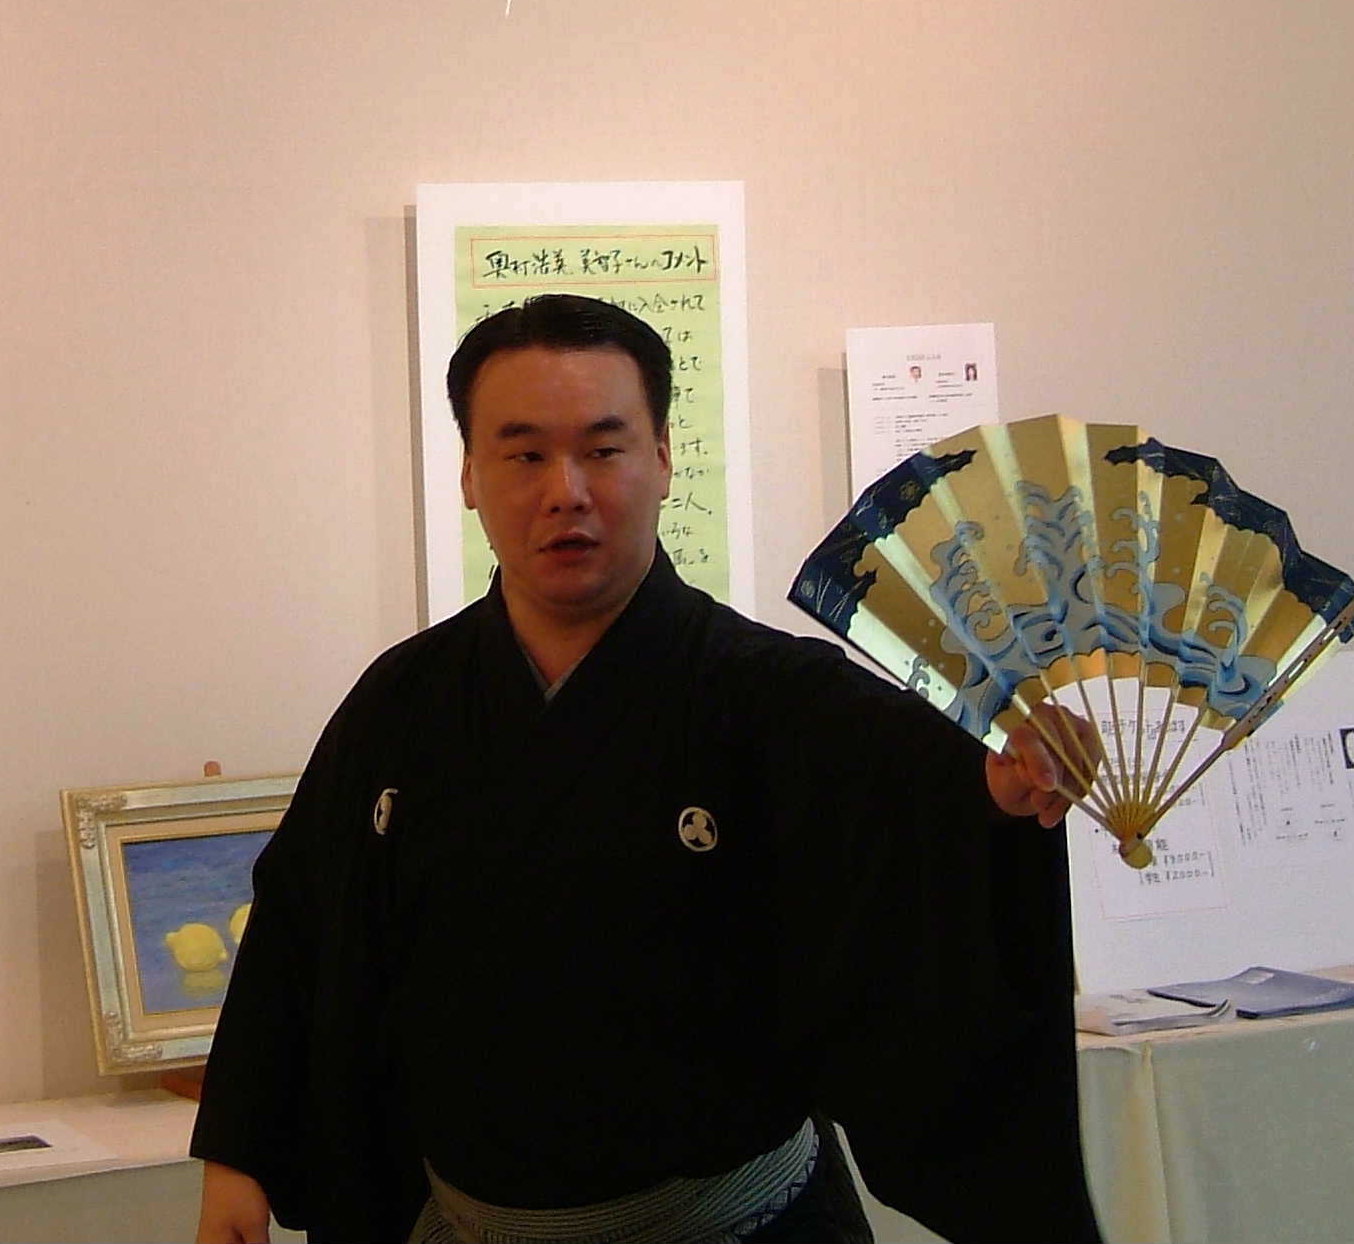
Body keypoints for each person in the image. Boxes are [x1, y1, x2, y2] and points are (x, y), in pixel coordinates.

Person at [191, 294, 1105, 1244]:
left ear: (664, 458)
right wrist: (238, 1162)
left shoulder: (772, 691)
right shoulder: (403, 702)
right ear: (469, 474)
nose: (566, 491)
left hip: (740, 1229)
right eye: (525, 455)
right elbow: (300, 924)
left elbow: (924, 810)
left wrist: (1002, 787)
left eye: (603, 448)